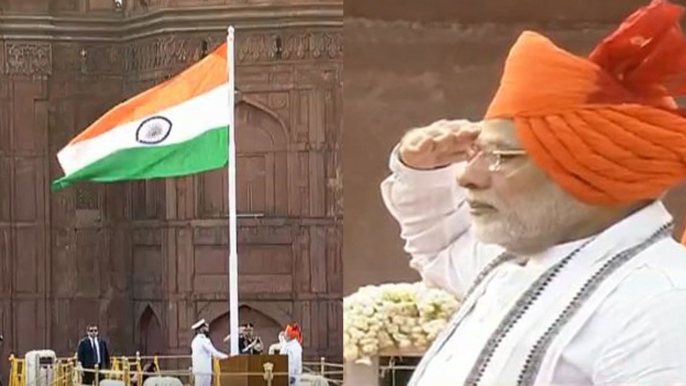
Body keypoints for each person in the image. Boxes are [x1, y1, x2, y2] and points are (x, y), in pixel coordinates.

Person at [380, 1, 686, 385]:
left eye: (500, 156)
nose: (466, 177)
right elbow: (443, 250)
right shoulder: (523, 258)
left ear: (585, 167)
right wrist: (423, 173)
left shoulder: (661, 305)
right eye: (477, 151)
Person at [191, 319, 228, 386]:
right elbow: (214, 352)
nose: (208, 329)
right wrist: (227, 357)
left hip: (198, 370)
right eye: (206, 327)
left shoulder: (195, 340)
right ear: (201, 329)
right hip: (204, 371)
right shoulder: (204, 340)